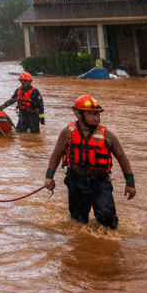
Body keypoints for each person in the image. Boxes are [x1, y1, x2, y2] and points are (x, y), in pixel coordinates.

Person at [44, 94, 135, 229]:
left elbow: (122, 157)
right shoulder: (67, 133)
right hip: (76, 181)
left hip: (100, 182)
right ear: (78, 113)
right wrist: (49, 177)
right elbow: (56, 154)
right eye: (91, 114)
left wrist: (130, 183)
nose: (96, 117)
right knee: (78, 221)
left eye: (97, 114)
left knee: (106, 217)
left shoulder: (107, 135)